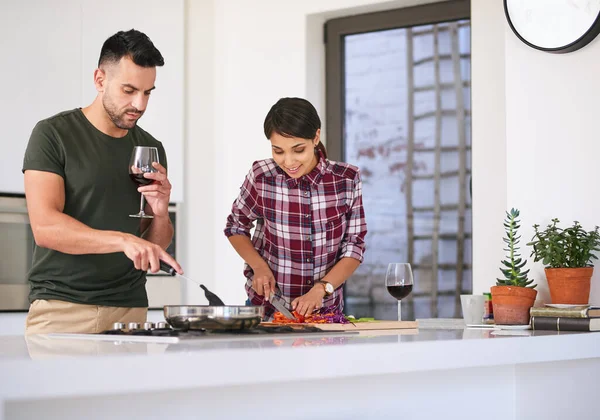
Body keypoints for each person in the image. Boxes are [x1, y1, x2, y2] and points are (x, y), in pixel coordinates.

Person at [22, 29, 182, 335]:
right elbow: (46, 227)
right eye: (129, 90)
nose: (140, 103)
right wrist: (122, 240)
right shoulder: (53, 135)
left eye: (148, 92)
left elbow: (152, 246)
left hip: (130, 309)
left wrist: (160, 212)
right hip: (62, 309)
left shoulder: (151, 148)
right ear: (100, 80)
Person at [224, 97, 367, 319]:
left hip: (325, 313)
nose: (289, 161)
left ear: (316, 137)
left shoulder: (346, 180)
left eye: (298, 150)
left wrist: (321, 289)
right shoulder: (262, 176)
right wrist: (259, 267)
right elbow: (235, 226)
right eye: (278, 151)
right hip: (268, 309)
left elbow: (354, 247)